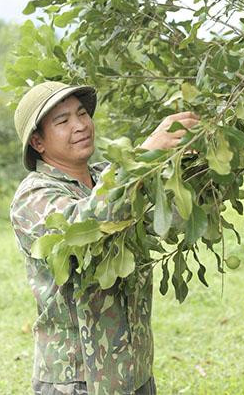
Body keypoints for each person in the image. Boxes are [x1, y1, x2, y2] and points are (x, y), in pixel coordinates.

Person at [10, 81, 199, 395]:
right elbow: (84, 228)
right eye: (63, 121)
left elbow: (167, 218)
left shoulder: (106, 175)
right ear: (38, 142)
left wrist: (188, 159)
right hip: (76, 382)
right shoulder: (32, 197)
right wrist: (145, 153)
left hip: (134, 373)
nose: (81, 125)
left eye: (82, 114)